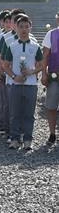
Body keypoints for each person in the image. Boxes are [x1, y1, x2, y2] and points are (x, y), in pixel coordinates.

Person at [1, 14, 43, 150]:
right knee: (15, 112)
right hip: (16, 84)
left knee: (29, 113)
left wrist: (32, 72)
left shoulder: (36, 47)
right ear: (16, 28)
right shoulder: (12, 46)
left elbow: (42, 65)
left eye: (26, 26)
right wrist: (14, 77)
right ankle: (14, 138)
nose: (24, 29)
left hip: (31, 84)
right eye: (21, 27)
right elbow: (5, 65)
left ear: (30, 28)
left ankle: (28, 139)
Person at [41, 14, 59, 145]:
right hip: (55, 75)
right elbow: (45, 55)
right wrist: (43, 74)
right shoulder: (51, 34)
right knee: (51, 106)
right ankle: (52, 133)